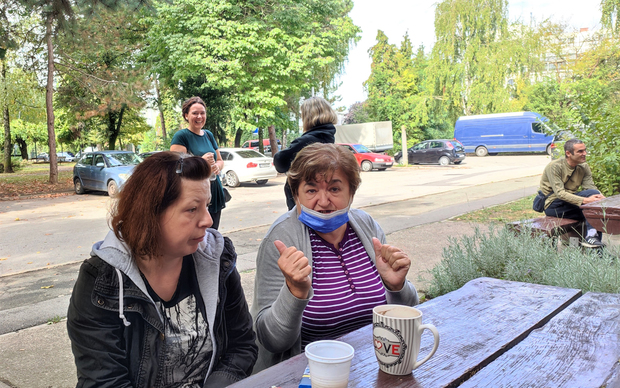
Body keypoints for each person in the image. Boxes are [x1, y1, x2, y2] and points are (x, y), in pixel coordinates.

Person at [67, 152, 257, 388]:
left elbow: (242, 345)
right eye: (192, 210)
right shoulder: (102, 280)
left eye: (207, 206)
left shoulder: (218, 260)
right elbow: (104, 381)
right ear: (149, 214)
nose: (208, 220)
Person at [251, 143, 419, 372]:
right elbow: (271, 341)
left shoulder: (366, 226)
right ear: (296, 195)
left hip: (375, 367)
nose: (323, 201)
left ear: (351, 192)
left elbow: (406, 315)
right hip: (311, 375)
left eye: (334, 189)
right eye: (311, 190)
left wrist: (397, 286)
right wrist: (294, 292)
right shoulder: (281, 239)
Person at [171, 96, 226, 229]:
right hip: (195, 193)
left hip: (214, 189)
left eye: (202, 113)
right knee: (198, 234)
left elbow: (220, 160)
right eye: (195, 113)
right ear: (186, 115)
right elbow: (177, 167)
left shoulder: (208, 134)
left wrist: (217, 167)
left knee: (213, 233)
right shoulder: (181, 136)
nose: (199, 116)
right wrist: (201, 161)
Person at [539, 138, 606, 247]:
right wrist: (586, 200)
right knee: (593, 207)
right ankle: (591, 236)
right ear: (568, 153)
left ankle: (596, 251)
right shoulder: (555, 166)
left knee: (596, 211)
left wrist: (601, 197)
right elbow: (560, 193)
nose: (584, 154)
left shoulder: (583, 166)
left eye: (585, 150)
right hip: (554, 205)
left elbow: (590, 187)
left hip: (571, 204)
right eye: (580, 151)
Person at [274, 96, 338, 210]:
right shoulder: (329, 139)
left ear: (307, 117)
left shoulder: (306, 142)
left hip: (305, 201)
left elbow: (280, 162)